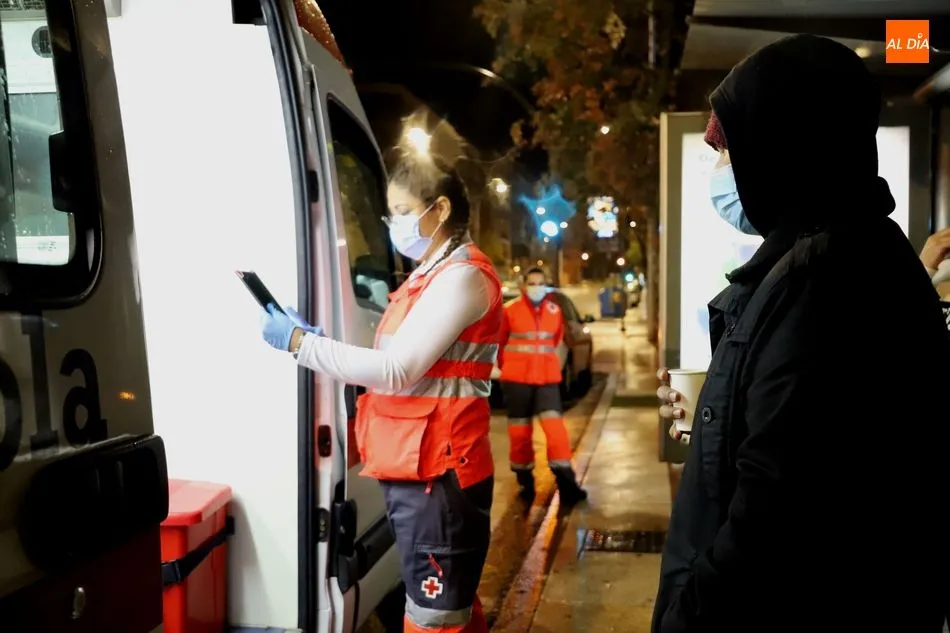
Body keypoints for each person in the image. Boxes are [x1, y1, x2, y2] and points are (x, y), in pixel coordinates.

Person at [652, 34, 950, 633]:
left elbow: (773, 519)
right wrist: (719, 407)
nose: (720, 167)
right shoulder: (826, 258)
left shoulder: (824, 278)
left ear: (786, 145)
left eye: (731, 147)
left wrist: (686, 616)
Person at [259, 120, 502, 633]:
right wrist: (320, 339)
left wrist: (304, 345)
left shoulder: (463, 278)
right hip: (417, 467)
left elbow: (395, 371)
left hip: (441, 473)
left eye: (404, 212)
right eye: (390, 213)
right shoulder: (425, 278)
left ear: (441, 210)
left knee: (434, 620)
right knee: (450, 611)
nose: (395, 224)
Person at [497, 267, 587, 505]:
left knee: (556, 431)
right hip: (517, 381)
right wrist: (509, 367)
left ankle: (566, 482)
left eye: (541, 283)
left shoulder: (554, 311)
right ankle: (525, 480)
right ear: (524, 285)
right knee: (520, 433)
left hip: (546, 380)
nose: (537, 287)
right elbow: (500, 343)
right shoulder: (510, 311)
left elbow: (555, 341)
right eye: (532, 283)